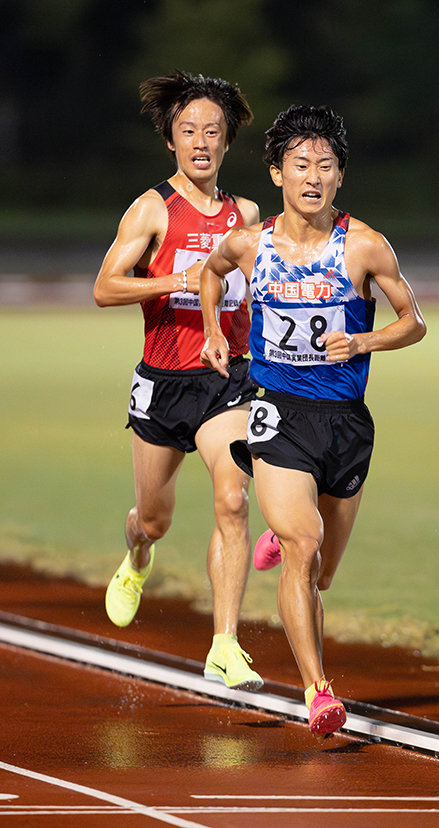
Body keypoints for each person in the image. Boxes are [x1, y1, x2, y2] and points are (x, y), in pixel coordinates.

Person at [199, 104, 426, 734]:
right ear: (276, 173)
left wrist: (364, 342)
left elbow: (415, 322)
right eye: (301, 165)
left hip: (346, 423)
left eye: (326, 166)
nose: (313, 177)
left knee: (321, 571)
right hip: (278, 414)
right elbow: (211, 275)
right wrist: (215, 333)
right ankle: (318, 691)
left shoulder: (365, 246)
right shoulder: (251, 244)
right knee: (305, 545)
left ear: (340, 177)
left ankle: (285, 531)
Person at [93, 70, 263, 691]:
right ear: (170, 139)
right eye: (188, 130)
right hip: (164, 385)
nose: (200, 141)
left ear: (226, 143)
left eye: (212, 132)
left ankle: (224, 643)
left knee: (232, 501)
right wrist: (173, 280)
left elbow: (261, 293)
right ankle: (138, 555)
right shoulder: (151, 209)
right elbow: (104, 287)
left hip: (226, 381)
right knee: (156, 518)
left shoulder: (246, 215)